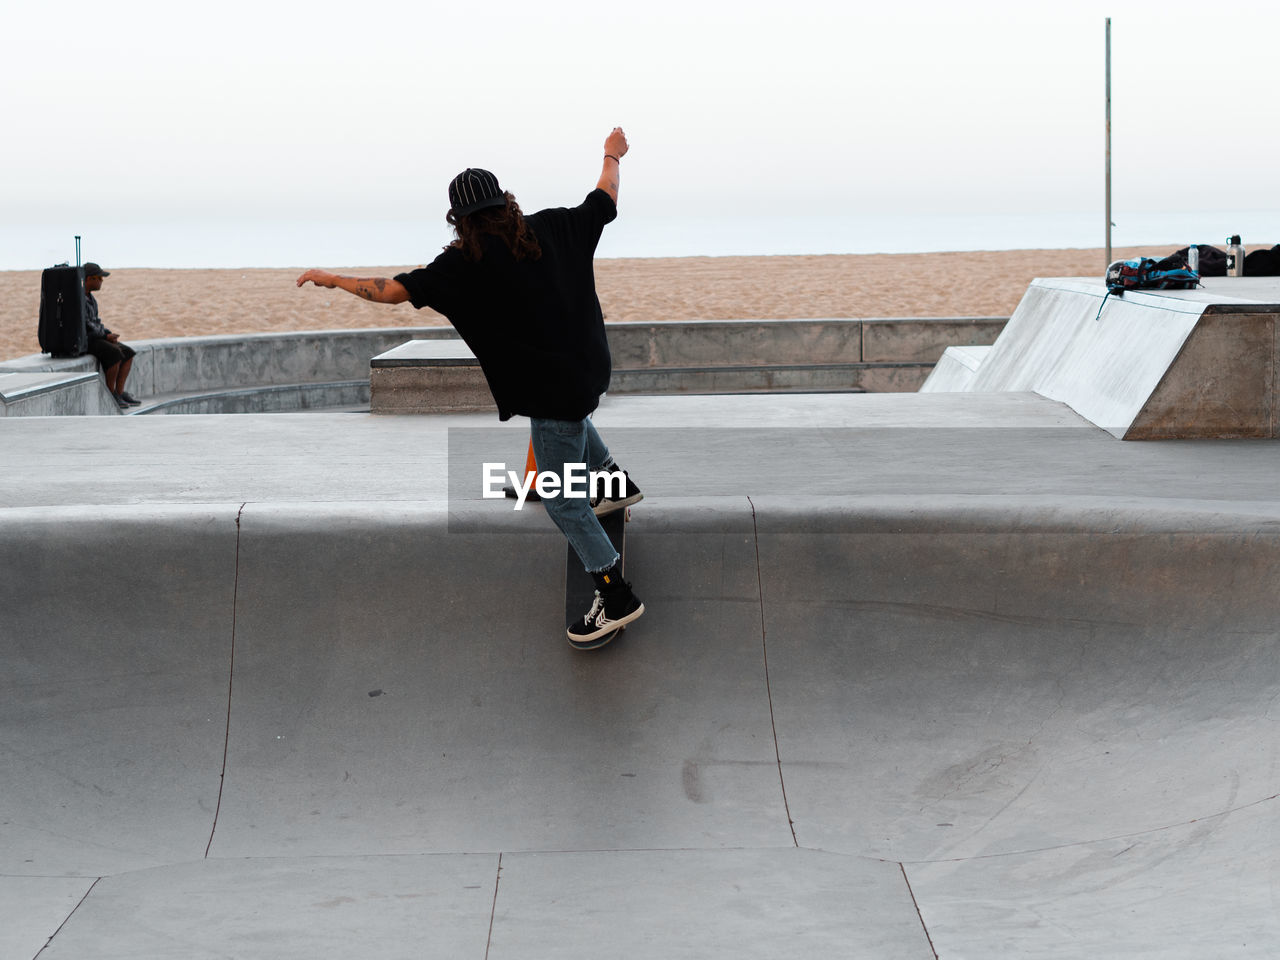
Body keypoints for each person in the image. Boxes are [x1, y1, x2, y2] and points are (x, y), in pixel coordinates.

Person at [297, 127, 645, 650]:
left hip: (553, 396)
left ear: (460, 222)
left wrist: (333, 280)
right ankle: (615, 482)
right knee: (571, 414)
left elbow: (390, 291)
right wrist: (611, 153)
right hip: (591, 372)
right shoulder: (557, 226)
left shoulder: (460, 268)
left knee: (561, 499)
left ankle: (615, 595)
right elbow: (606, 194)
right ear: (505, 202)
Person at [82, 263, 140, 408]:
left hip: (98, 336)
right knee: (114, 354)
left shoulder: (91, 298)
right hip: (88, 340)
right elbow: (87, 325)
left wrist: (107, 334)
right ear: (89, 279)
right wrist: (104, 337)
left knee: (128, 353)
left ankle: (119, 393)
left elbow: (96, 322)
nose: (101, 281)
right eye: (99, 278)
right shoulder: (79, 299)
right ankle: (111, 394)